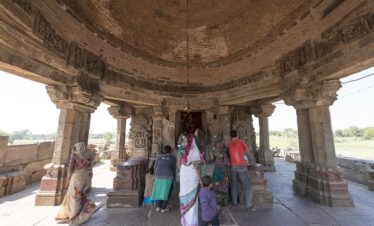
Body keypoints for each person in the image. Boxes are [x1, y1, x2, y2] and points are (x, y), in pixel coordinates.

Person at [55, 142, 102, 224]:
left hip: (77, 177)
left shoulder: (75, 155)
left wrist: (68, 178)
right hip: (87, 176)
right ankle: (75, 214)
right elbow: (93, 163)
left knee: (74, 197)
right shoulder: (91, 153)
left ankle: (74, 217)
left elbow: (70, 168)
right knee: (80, 194)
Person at [178, 128, 205, 226]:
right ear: (194, 141)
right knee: (193, 197)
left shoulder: (182, 150)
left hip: (183, 174)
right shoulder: (194, 150)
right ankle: (192, 222)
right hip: (192, 175)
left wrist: (184, 168)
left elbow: (178, 163)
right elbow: (197, 168)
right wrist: (201, 180)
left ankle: (184, 220)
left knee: (184, 194)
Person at [228, 130, 255, 210]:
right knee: (247, 185)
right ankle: (249, 205)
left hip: (233, 167)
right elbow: (247, 153)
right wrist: (252, 162)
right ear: (237, 134)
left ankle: (234, 203)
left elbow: (230, 155)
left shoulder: (229, 144)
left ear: (231, 136)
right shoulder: (241, 141)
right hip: (241, 166)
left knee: (234, 185)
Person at [151, 145, 176, 213]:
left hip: (158, 176)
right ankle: (163, 208)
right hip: (168, 177)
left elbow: (155, 167)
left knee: (160, 192)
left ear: (164, 151)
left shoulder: (159, 157)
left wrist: (156, 175)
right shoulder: (172, 158)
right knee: (166, 193)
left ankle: (158, 207)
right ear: (170, 151)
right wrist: (174, 178)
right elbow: (174, 169)